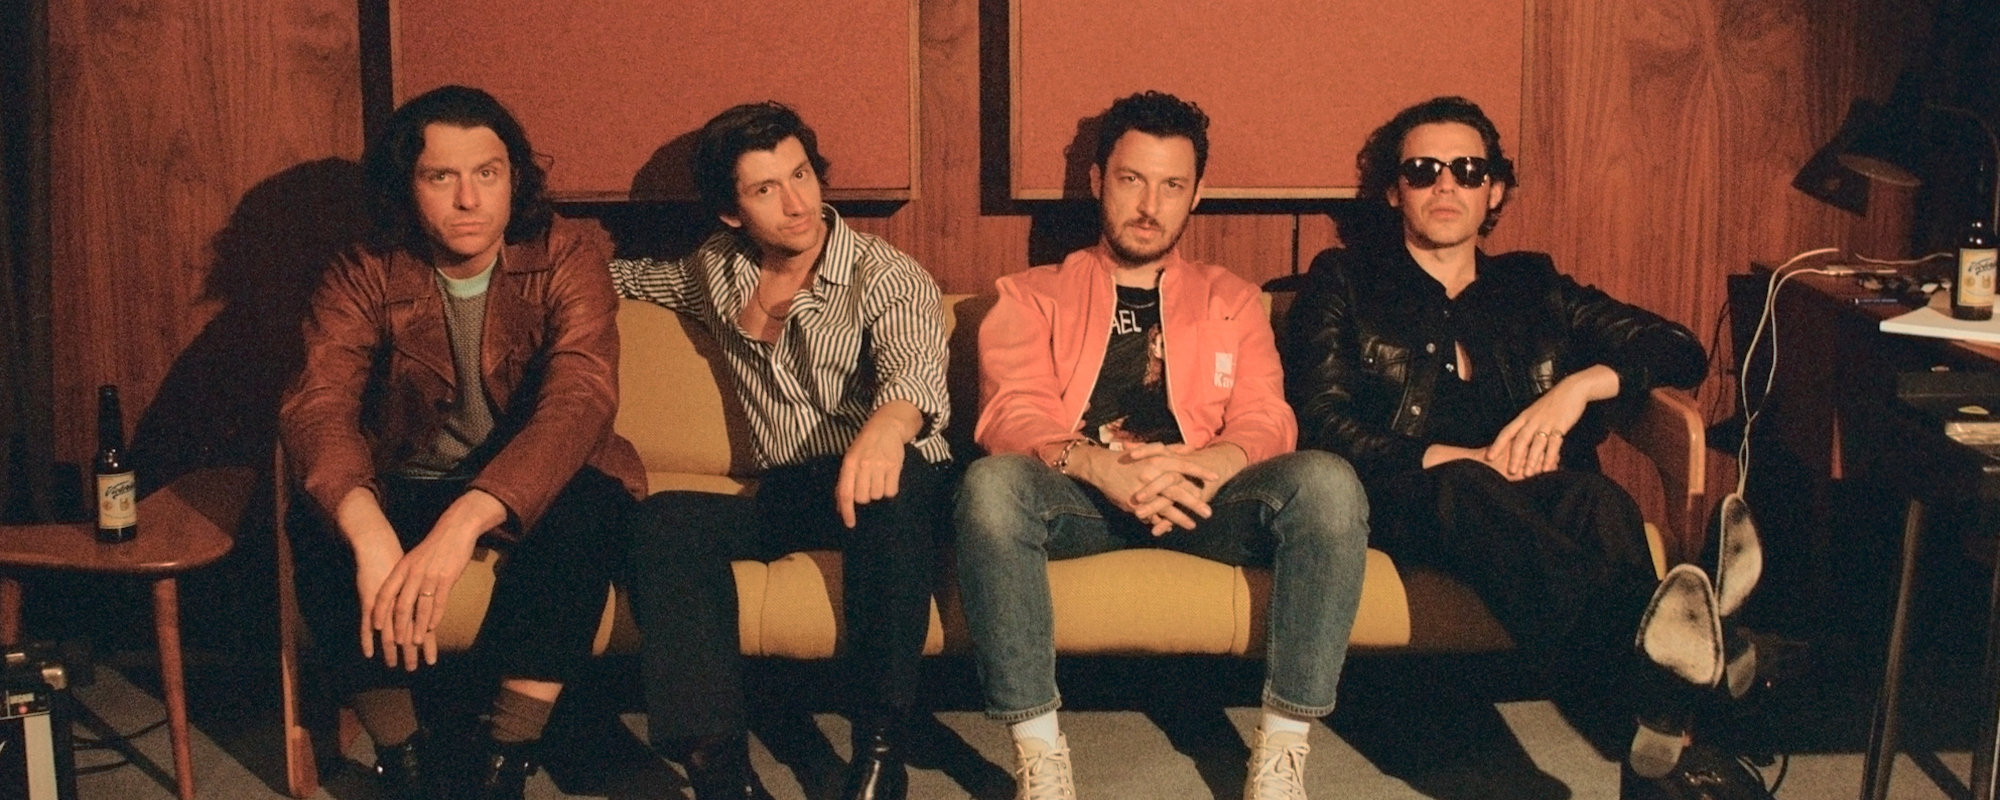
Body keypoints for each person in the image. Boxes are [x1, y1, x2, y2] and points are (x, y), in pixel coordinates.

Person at [1279, 95, 1763, 789]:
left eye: (1469, 170)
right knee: (1467, 486)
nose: (1446, 185)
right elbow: (1320, 417)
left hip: (1531, 497)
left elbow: (1678, 348)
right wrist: (1453, 457)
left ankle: (1658, 716)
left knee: (1597, 500)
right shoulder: (1347, 280)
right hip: (1405, 498)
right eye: (1423, 170)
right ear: (1393, 191)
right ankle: (1698, 643)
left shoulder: (1533, 286)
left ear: (1495, 190)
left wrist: (1581, 387)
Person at [955, 91, 1370, 800]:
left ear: (1196, 194)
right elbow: (1010, 412)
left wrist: (1207, 463)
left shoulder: (1230, 298)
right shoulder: (1029, 295)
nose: (1150, 205)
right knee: (990, 487)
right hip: (1081, 500)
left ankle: (1281, 753)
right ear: (1098, 181)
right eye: (1131, 180)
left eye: (1172, 185)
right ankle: (1040, 757)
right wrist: (1098, 465)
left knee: (1328, 483)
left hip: (1203, 501)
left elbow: (1266, 414)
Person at [280, 84, 646, 800]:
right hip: (410, 480)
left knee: (591, 507)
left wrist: (468, 518)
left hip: (531, 480)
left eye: (487, 173)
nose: (469, 199)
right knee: (321, 520)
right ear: (406, 186)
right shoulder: (364, 268)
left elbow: (580, 401)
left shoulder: (566, 252)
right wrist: (367, 529)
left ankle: (505, 757)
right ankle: (403, 755)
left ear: (515, 178)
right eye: (440, 177)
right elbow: (319, 403)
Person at [610, 101, 953, 800]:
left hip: (897, 476)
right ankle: (717, 765)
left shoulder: (886, 275)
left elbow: (913, 374)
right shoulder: (715, 268)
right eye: (766, 189)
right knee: (662, 521)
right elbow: (629, 279)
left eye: (801, 175)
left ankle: (879, 752)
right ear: (730, 211)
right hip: (794, 489)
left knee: (895, 486)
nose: (797, 203)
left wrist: (887, 428)